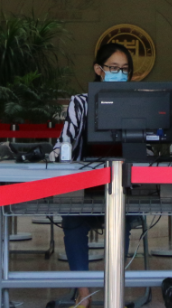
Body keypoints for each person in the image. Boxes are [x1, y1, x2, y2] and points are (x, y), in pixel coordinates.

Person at [54, 42, 135, 307]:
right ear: (99, 69)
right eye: (114, 68)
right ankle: (84, 293)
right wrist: (57, 155)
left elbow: (144, 148)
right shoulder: (80, 103)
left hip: (122, 187)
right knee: (73, 218)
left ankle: (114, 290)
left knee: (122, 219)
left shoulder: (136, 102)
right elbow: (64, 142)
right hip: (83, 186)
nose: (120, 74)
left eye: (125, 69)